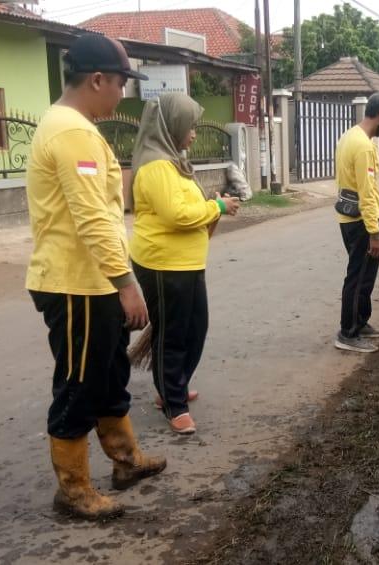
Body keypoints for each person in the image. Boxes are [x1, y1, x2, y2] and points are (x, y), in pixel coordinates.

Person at [25, 34, 165, 521]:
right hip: (76, 283)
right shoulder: (73, 133)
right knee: (79, 383)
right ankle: (73, 489)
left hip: (92, 280)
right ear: (99, 79)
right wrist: (126, 282)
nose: (123, 93)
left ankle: (125, 461)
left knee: (109, 373)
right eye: (122, 82)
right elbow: (92, 219)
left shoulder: (72, 125)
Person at [129, 93, 241, 435]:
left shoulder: (173, 162)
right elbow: (177, 215)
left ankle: (172, 386)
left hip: (187, 263)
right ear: (171, 125)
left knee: (196, 328)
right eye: (189, 126)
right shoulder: (156, 166)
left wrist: (213, 205)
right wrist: (217, 208)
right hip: (163, 264)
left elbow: (188, 208)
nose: (193, 133)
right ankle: (172, 402)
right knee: (173, 334)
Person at [334, 92, 379, 354]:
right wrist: (375, 232)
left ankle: (360, 321)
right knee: (358, 277)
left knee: (365, 275)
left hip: (351, 217)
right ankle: (347, 332)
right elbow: (367, 191)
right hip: (362, 220)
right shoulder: (362, 145)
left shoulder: (351, 136)